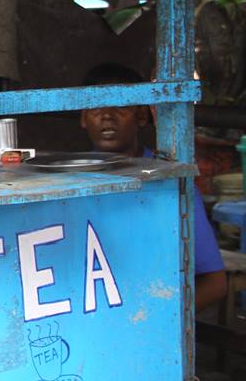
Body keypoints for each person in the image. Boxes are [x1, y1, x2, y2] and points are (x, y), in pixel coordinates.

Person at [80, 62, 227, 310]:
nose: (107, 114)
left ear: (141, 115)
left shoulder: (171, 182)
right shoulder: (69, 184)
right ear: (83, 118)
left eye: (120, 105)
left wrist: (153, 320)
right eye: (96, 106)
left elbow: (214, 284)